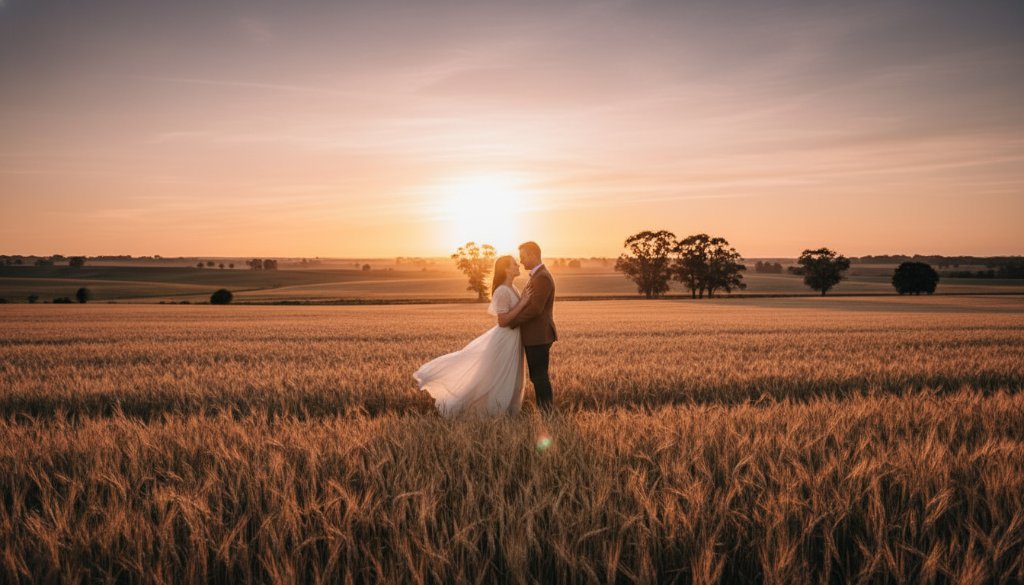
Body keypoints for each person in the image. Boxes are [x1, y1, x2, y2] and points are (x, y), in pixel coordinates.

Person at [413, 255, 532, 418]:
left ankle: (507, 414)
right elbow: (503, 320)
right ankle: (492, 413)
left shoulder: (513, 288)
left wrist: (523, 301)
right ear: (506, 269)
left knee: (512, 378)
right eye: (514, 264)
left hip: (513, 339)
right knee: (499, 377)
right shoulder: (502, 291)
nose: (518, 265)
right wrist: (523, 303)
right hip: (505, 339)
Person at [504, 241, 557, 412]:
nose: (521, 261)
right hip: (536, 335)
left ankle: (547, 412)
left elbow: (535, 308)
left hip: (539, 336)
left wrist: (512, 322)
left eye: (523, 257)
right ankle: (547, 412)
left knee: (539, 377)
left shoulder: (542, 277)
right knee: (538, 376)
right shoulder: (538, 275)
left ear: (533, 255)